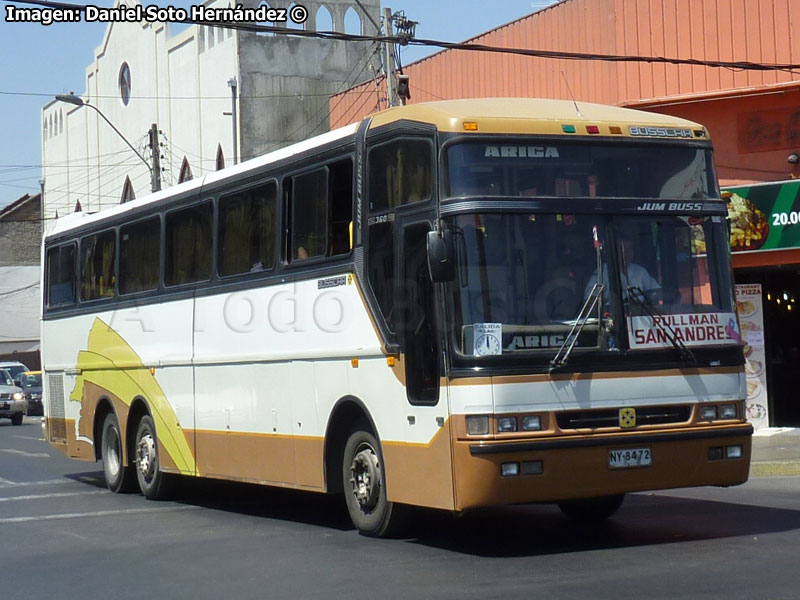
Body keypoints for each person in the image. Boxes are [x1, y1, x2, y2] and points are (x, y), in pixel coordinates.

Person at [584, 235, 660, 303]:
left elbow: (656, 293)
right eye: (622, 249)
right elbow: (590, 300)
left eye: (629, 248)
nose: (627, 253)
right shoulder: (602, 272)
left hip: (639, 317)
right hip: (615, 317)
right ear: (613, 251)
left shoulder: (640, 271)